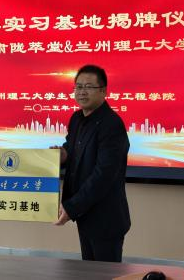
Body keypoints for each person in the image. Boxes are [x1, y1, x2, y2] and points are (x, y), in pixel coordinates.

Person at [53, 65, 131, 262]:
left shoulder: (111, 124)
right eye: (78, 87)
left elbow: (103, 175)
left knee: (104, 273)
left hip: (106, 218)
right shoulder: (77, 118)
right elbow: (72, 149)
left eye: (88, 87)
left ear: (103, 91)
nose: (82, 92)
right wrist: (61, 155)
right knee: (89, 270)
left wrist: (72, 207)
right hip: (85, 214)